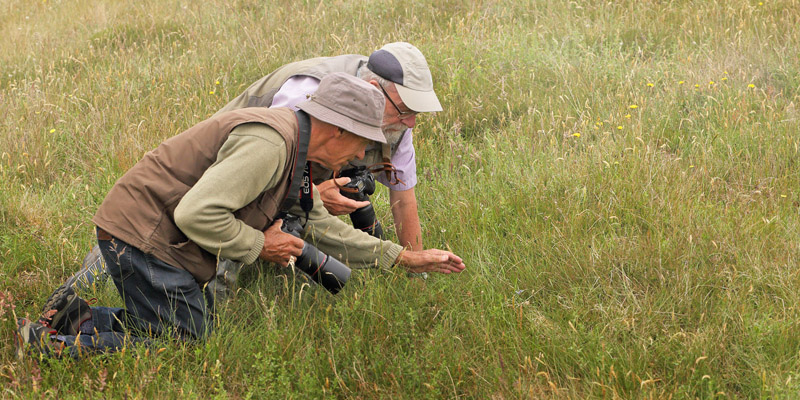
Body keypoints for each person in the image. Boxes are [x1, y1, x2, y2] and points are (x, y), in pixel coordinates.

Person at [16, 73, 465, 358]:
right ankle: (44, 345)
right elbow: (197, 213)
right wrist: (258, 245)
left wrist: (400, 257)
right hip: (142, 234)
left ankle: (72, 317)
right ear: (336, 129)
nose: (361, 156)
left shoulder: (302, 155)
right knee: (184, 343)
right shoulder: (272, 143)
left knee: (171, 326)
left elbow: (317, 225)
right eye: (361, 143)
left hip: (153, 234)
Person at [72, 42, 444, 295]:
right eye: (403, 110)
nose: (410, 123)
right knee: (212, 227)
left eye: (415, 113)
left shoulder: (395, 122)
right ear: (371, 89)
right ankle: (199, 290)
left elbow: (403, 198)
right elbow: (261, 170)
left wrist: (416, 268)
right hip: (228, 172)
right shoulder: (304, 99)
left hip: (272, 178)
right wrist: (311, 197)